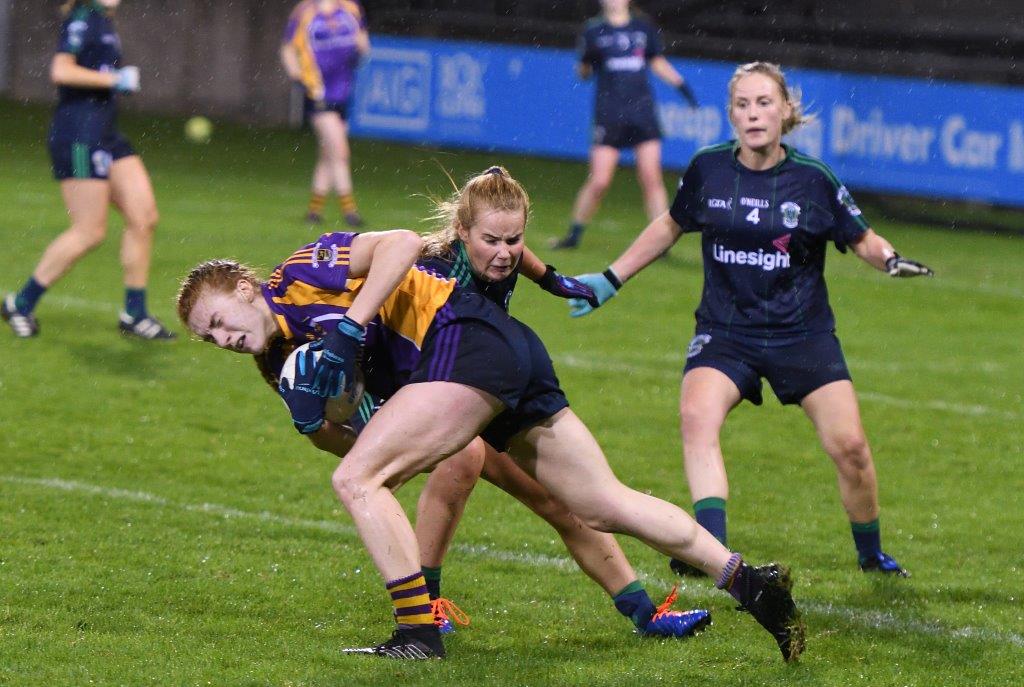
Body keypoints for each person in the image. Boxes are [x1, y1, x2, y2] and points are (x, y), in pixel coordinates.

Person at [176, 167, 805, 662]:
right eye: (208, 338)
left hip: (462, 343)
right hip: (506, 351)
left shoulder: (298, 277)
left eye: (217, 321)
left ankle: (419, 630)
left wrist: (348, 329)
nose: (220, 337)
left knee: (359, 483)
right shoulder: (284, 359)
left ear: (243, 289)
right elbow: (361, 446)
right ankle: (748, 581)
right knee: (599, 502)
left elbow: (398, 243)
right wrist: (317, 425)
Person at [567, 61, 934, 579]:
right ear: (731, 114)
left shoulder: (813, 180)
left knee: (850, 447)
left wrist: (889, 259)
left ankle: (870, 552)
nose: (753, 114)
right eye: (743, 104)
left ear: (786, 110)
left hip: (802, 334)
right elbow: (669, 227)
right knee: (697, 418)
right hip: (726, 331)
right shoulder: (708, 169)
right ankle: (711, 548)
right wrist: (610, 279)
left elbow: (862, 238)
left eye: (764, 103)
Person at [248, 234, 711, 641]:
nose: (505, 253)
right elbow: (336, 441)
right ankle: (424, 608)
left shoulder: (468, 253)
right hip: (434, 399)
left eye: (513, 240)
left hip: (481, 387)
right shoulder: (288, 349)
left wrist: (550, 278)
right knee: (460, 460)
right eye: (211, 335)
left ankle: (644, 612)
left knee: (559, 502)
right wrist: (327, 425)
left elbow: (503, 239)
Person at [2, 0, 173, 340]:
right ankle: (20, 303)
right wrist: (112, 78)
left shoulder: (104, 19)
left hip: (106, 133)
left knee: (144, 217)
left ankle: (134, 314)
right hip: (80, 133)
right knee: (89, 231)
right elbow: (61, 71)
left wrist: (111, 80)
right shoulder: (83, 17)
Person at [550, 0, 698, 250]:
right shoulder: (593, 30)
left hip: (642, 113)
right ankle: (573, 235)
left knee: (651, 178)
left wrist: (681, 86)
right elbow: (583, 73)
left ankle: (661, 243)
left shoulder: (642, 28)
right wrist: (588, 61)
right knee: (599, 181)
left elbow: (656, 61)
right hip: (609, 114)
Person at [280, 0, 370, 227]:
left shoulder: (350, 9)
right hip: (318, 93)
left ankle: (314, 211)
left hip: (343, 93)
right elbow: (288, 48)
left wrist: (361, 49)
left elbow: (363, 44)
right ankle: (350, 211)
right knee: (339, 151)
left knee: (327, 154)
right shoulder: (305, 11)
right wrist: (296, 74)